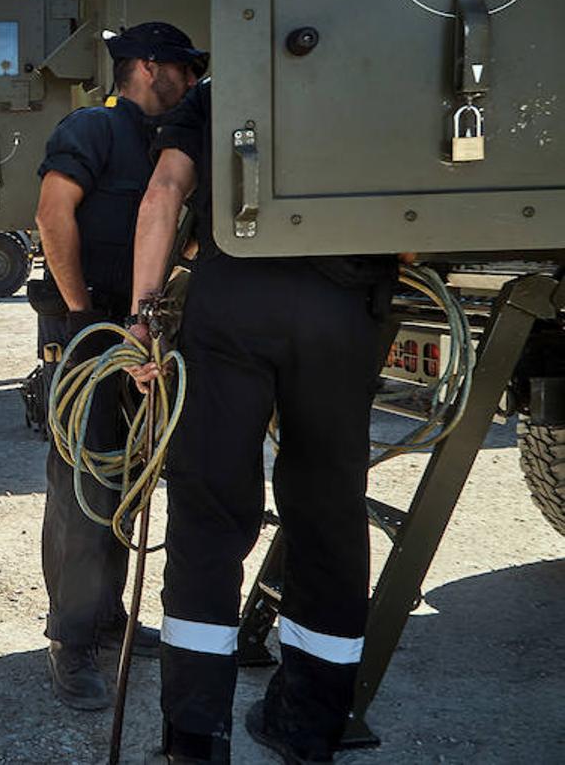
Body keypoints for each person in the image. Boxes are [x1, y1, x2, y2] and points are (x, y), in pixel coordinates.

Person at [126, 80, 397, 764]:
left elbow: (164, 192)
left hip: (235, 298)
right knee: (330, 513)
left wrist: (143, 318)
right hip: (344, 308)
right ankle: (309, 728)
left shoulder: (224, 88)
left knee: (209, 509)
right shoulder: (384, 77)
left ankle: (194, 738)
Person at [32, 21, 206, 710]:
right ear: (144, 66)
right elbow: (52, 215)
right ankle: (71, 639)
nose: (191, 82)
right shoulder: (93, 128)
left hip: (142, 333)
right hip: (89, 329)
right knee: (83, 485)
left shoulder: (168, 140)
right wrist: (80, 315)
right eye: (183, 69)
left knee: (128, 475)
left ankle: (107, 617)